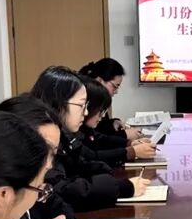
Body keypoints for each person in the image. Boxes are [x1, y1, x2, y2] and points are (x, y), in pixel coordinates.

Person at [31, 66, 150, 211]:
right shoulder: (39, 140)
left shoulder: (64, 135)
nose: (86, 112)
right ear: (58, 103)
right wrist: (121, 187)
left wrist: (108, 175)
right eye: (81, 105)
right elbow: (63, 189)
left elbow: (82, 163)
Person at [79, 75, 157, 167]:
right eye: (100, 111)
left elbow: (101, 139)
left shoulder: (85, 128)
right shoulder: (72, 132)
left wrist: (129, 143)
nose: (102, 116)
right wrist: (132, 152)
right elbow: (91, 157)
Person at [80, 57, 144, 140]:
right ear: (99, 80)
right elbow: (94, 139)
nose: (116, 91)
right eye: (115, 86)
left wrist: (113, 123)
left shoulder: (101, 99)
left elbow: (100, 127)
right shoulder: (86, 99)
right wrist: (124, 135)